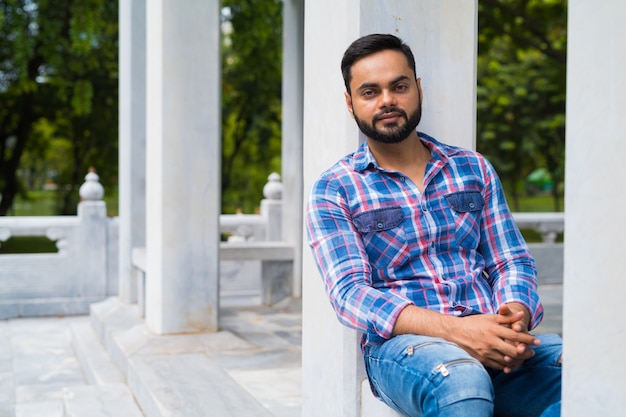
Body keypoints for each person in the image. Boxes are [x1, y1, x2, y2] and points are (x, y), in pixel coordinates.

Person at [305, 33, 562, 417]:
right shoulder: (335, 188)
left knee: (588, 367)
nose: (387, 100)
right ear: (350, 103)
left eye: (399, 86)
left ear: (418, 89)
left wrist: (512, 316)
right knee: (462, 381)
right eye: (370, 92)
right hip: (404, 347)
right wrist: (459, 331)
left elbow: (512, 260)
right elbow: (350, 293)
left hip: (492, 329)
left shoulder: (472, 168)